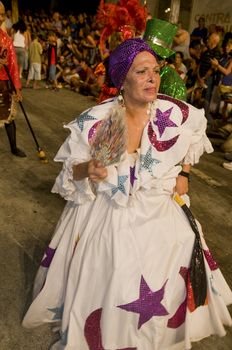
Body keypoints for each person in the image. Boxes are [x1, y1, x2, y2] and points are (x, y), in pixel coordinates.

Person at [22, 37, 232, 349]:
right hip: (108, 207)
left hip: (158, 203)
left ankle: (158, 327)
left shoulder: (173, 112)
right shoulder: (97, 120)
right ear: (122, 80)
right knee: (116, 261)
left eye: (156, 71)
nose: (152, 78)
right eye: (142, 72)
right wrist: (89, 170)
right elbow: (70, 172)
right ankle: (115, 329)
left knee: (181, 242)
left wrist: (185, 172)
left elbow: (195, 133)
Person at [0, 1, 26, 157]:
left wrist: (17, 87)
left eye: (2, 14)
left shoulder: (6, 39)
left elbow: (13, 65)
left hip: (3, 83)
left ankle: (14, 147)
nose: (1, 18)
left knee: (9, 116)